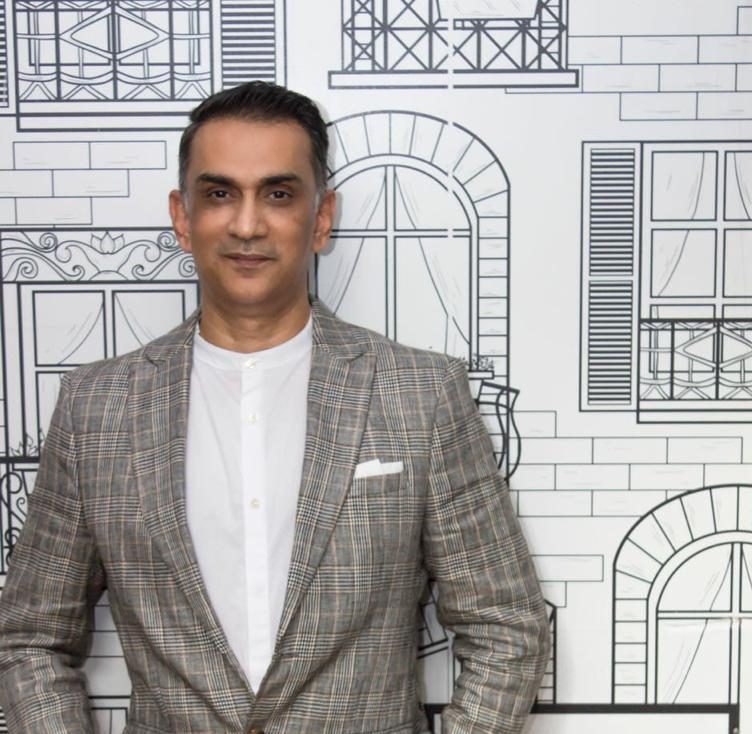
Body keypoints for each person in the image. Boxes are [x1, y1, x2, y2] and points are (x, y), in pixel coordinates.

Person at [0, 81, 549, 733]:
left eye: (279, 194)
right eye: (219, 193)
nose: (247, 225)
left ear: (321, 217)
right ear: (182, 216)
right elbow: (31, 638)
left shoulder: (420, 393)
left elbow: (505, 627)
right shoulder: (97, 407)